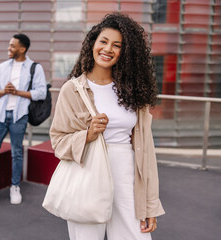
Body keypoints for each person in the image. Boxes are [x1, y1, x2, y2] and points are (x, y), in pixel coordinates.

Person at [49, 13, 165, 239]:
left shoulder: (133, 92)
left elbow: (146, 153)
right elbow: (59, 142)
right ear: (93, 43)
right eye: (103, 41)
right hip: (87, 175)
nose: (108, 49)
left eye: (117, 45)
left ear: (126, 53)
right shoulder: (73, 90)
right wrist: (88, 134)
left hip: (127, 177)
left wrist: (150, 205)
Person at [0, 34, 47, 205]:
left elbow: (41, 92)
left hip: (20, 115)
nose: (9, 48)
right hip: (1, 114)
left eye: (12, 46)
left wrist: (17, 92)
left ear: (22, 49)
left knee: (17, 152)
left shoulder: (35, 67)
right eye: (9, 45)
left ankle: (15, 186)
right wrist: (5, 90)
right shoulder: (3, 67)